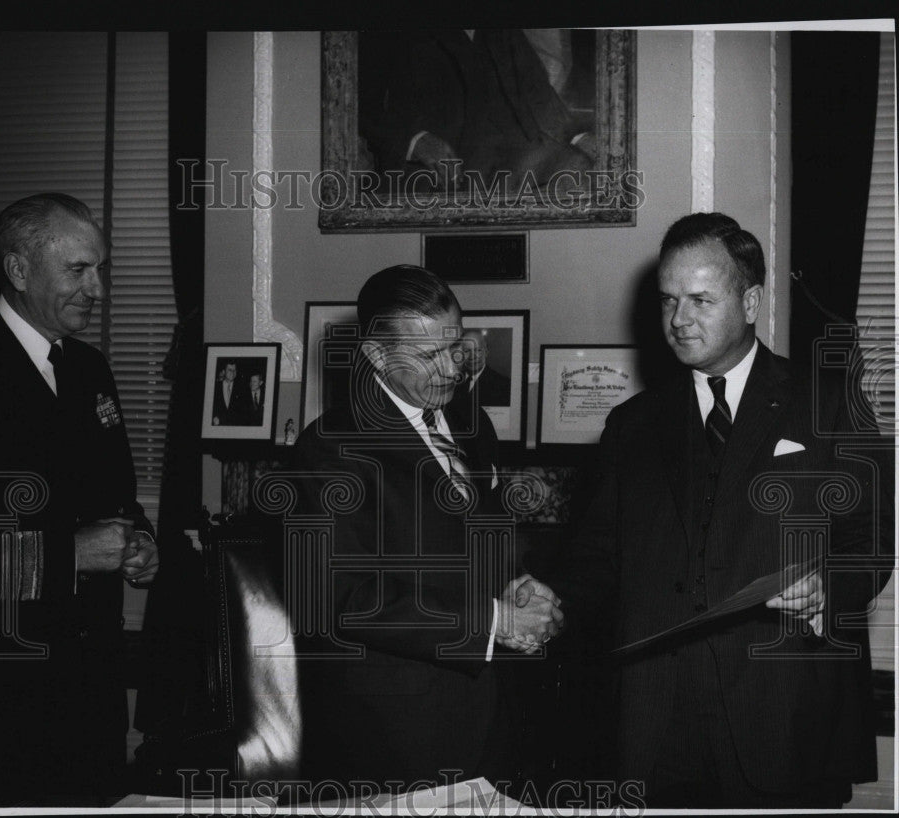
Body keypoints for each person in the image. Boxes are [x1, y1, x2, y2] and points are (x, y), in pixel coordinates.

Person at [542, 213, 892, 808]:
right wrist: (548, 596)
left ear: (751, 301)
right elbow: (595, 559)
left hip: (785, 723)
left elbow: (872, 536)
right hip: (654, 727)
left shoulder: (830, 404)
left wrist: (827, 587)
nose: (679, 320)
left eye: (701, 300)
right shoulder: (631, 426)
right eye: (669, 300)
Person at [0, 193, 159, 805]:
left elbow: (118, 496)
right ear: (18, 271)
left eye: (100, 269)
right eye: (78, 270)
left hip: (92, 682)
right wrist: (69, 554)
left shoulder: (90, 369)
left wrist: (141, 543)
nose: (96, 289)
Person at [288, 264, 562, 794]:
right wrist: (492, 622)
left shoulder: (470, 424)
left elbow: (481, 533)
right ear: (375, 356)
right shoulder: (327, 448)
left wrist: (515, 582)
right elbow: (341, 598)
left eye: (455, 347)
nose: (451, 369)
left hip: (487, 712)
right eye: (429, 355)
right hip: (392, 733)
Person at [358, 29, 593, 192]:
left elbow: (537, 90)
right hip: (437, 169)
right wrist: (415, 141)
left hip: (508, 160)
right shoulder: (389, 21)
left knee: (576, 164)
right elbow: (359, 102)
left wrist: (577, 137)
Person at [456, 328, 512, 406]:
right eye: (466, 351)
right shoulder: (452, 382)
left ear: (486, 352)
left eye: (478, 350)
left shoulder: (504, 385)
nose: (472, 356)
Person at [212, 360, 246, 425]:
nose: (232, 372)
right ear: (224, 371)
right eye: (230, 370)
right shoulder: (215, 387)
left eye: (234, 370)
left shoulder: (242, 389)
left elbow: (243, 412)